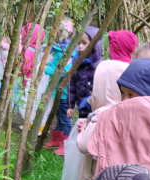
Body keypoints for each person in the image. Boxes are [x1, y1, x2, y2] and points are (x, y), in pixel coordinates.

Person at [75, 60, 129, 180]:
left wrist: (84, 129)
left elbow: (84, 145)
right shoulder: (128, 112)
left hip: (100, 178)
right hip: (122, 176)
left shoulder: (101, 115)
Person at [42, 17, 75, 155]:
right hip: (56, 91)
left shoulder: (68, 51)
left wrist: (47, 69)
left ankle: (65, 144)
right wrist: (48, 64)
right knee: (57, 116)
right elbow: (55, 63)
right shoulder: (59, 47)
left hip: (64, 91)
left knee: (65, 119)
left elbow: (65, 71)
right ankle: (56, 140)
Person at [66, 26, 104, 124]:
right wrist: (70, 106)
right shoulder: (77, 63)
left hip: (96, 110)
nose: (80, 46)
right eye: (78, 43)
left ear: (95, 45)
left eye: (84, 43)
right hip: (81, 109)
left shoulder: (100, 66)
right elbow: (72, 85)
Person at [20, 23, 46, 88]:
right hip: (33, 80)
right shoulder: (38, 50)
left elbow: (24, 67)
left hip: (25, 82)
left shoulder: (27, 52)